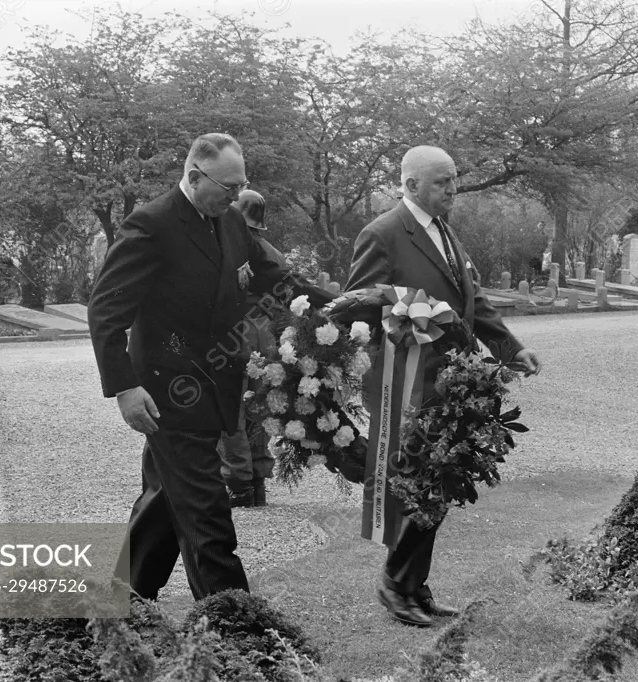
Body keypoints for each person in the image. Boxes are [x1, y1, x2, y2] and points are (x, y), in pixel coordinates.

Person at [88, 134, 334, 601]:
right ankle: (235, 626)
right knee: (207, 512)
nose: (237, 194)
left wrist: (339, 305)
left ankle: (123, 601)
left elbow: (278, 279)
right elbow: (106, 311)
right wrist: (124, 388)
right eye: (228, 186)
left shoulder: (231, 220)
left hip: (216, 387)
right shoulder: (150, 225)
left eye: (242, 184)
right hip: (168, 396)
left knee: (165, 500)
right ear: (195, 177)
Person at [345, 145, 541, 627]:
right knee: (420, 484)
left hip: (451, 381)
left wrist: (510, 349)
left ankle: (413, 583)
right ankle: (396, 583)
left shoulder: (446, 232)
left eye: (453, 180)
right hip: (404, 381)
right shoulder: (383, 234)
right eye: (441, 182)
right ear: (410, 185)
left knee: (441, 481)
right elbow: (358, 306)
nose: (452, 189)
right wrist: (404, 317)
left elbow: (472, 303)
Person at [218, 189, 283, 508]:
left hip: (238, 330)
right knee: (260, 406)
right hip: (267, 331)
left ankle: (238, 483)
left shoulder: (231, 247)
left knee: (231, 407)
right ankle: (258, 481)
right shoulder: (272, 251)